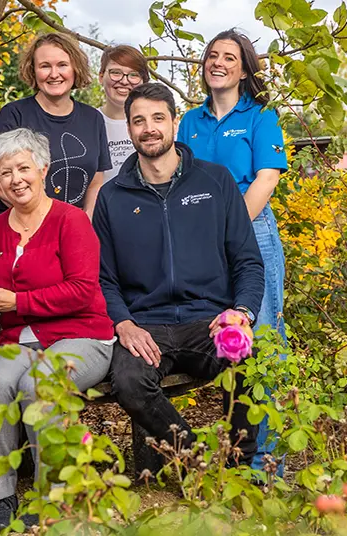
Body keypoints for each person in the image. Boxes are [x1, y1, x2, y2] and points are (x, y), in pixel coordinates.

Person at [93, 83, 265, 466]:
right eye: (138, 121)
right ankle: (197, 463)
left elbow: (248, 261)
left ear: (174, 122)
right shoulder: (111, 196)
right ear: (130, 129)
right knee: (129, 382)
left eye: (158, 118)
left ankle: (240, 469)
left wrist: (241, 313)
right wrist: (122, 322)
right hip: (146, 326)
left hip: (209, 321)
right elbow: (103, 277)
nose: (149, 128)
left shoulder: (215, 181)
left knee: (249, 361)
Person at [0, 128, 115, 533]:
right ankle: (3, 496)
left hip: (83, 336)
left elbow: (83, 291)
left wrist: (18, 302)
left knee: (39, 386)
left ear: (43, 168)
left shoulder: (70, 221)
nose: (16, 178)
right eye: (6, 172)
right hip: (19, 340)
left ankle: (46, 495)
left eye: (23, 168)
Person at [177, 29, 289, 474]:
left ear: (244, 68)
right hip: (202, 239)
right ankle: (238, 458)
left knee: (261, 344)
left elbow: (266, 179)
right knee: (228, 343)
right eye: (211, 55)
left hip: (253, 233)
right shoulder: (189, 121)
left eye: (228, 56)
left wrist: (228, 231)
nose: (217, 62)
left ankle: (265, 464)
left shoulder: (261, 116)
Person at [0, 33, 111, 220]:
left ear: (75, 68)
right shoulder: (14, 115)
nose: (54, 74)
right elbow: (2, 183)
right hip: (21, 227)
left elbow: (96, 181)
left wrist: (84, 219)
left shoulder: (93, 118)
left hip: (73, 228)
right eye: (45, 66)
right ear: (33, 70)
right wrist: (49, 227)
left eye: (62, 65)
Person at [97, 45, 150, 183]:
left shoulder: (156, 126)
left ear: (143, 81)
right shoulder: (87, 122)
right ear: (101, 76)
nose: (124, 81)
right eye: (116, 72)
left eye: (134, 75)